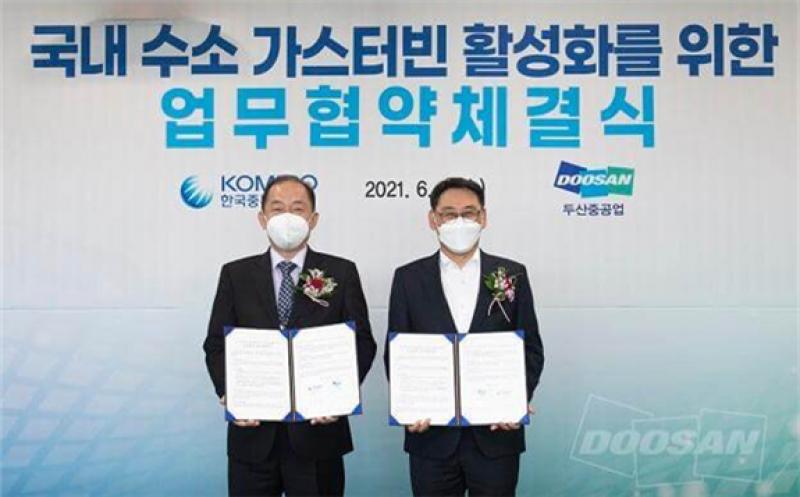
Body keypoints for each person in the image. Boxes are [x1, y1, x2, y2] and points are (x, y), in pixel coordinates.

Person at [203, 174, 377, 497]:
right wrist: (229, 391)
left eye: (297, 209)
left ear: (313, 219)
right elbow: (216, 344)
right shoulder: (235, 274)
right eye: (277, 208)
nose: (287, 217)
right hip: (252, 437)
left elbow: (362, 343)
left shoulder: (341, 272)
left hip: (319, 435)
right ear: (262, 218)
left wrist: (340, 395)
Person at [385, 177, 544, 497]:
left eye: (469, 213)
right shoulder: (408, 278)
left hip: (496, 435)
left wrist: (514, 401)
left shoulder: (512, 274)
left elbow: (531, 349)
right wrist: (409, 405)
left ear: (483, 217)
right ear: (433, 219)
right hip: (431, 437)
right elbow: (397, 351)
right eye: (449, 213)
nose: (459, 221)